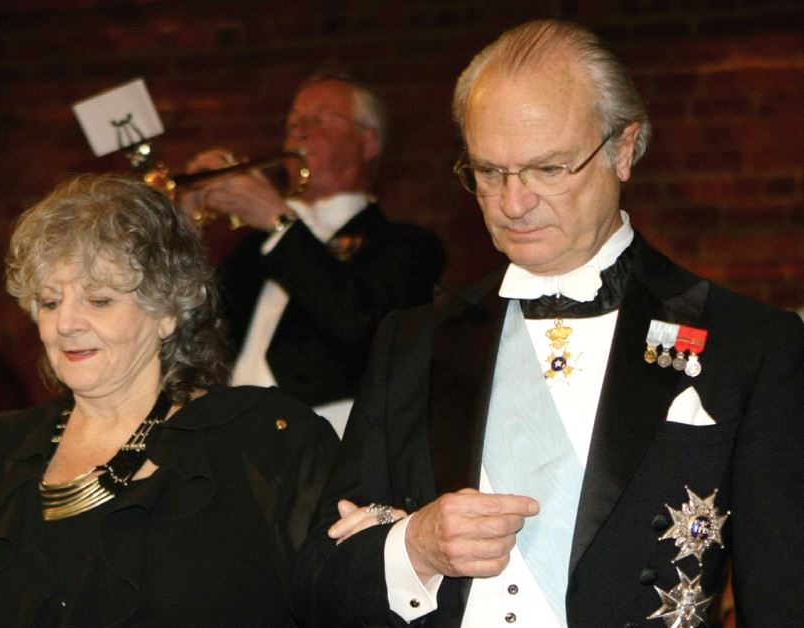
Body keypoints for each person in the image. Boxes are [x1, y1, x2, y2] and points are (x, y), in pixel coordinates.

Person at [292, 19, 804, 627]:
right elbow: (316, 589)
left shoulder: (751, 346)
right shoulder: (412, 343)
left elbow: (784, 598)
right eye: (488, 172)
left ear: (623, 149)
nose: (513, 203)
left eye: (548, 170)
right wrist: (414, 549)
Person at [0, 174, 338, 627]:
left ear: (168, 312)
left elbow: (344, 598)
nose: (66, 323)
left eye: (99, 300)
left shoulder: (262, 438)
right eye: (50, 302)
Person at [180, 71, 445, 436]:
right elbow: (192, 326)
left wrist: (279, 223)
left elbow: (356, 321)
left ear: (368, 142)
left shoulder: (405, 244)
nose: (299, 131)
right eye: (292, 122)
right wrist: (183, 225)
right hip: (234, 438)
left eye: (318, 119)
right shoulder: (254, 246)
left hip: (332, 440)